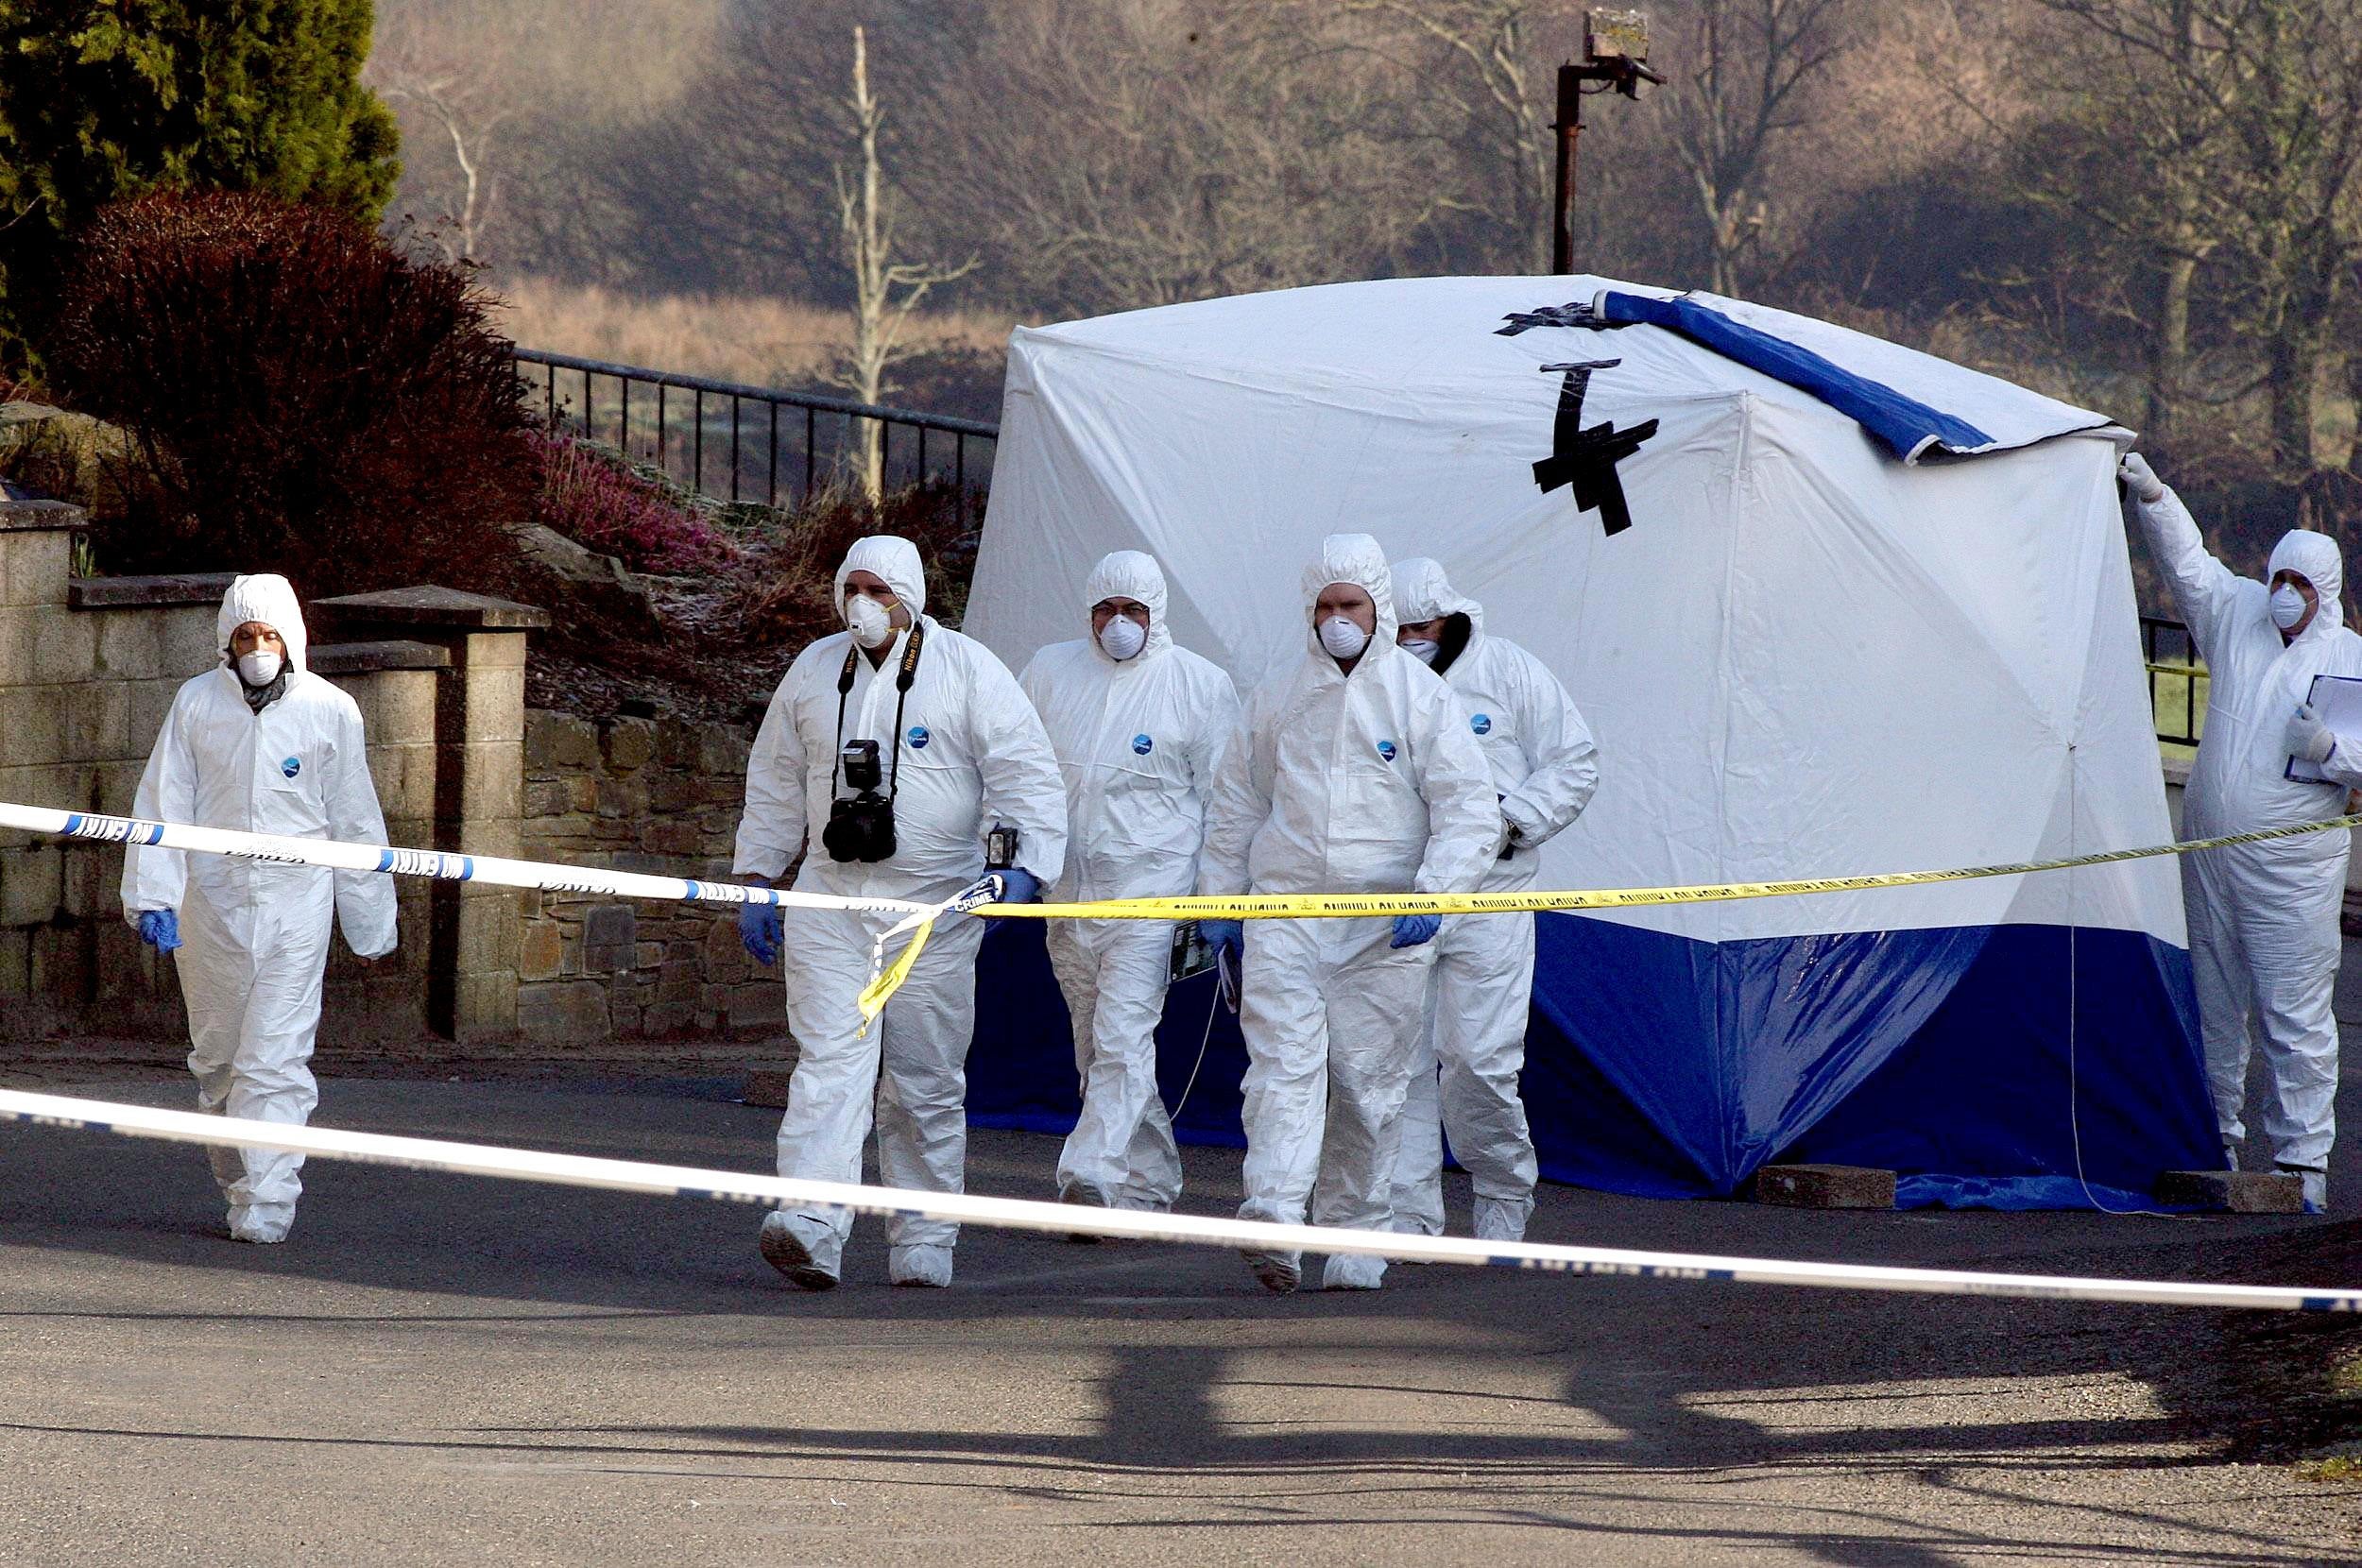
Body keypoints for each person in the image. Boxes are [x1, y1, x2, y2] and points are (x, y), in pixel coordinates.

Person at [734, 535, 1067, 1288]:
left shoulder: (968, 670)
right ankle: (813, 1222)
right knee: (829, 1063)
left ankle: (923, 1237)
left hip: (934, 909)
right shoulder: (815, 670)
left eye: (881, 591)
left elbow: (1024, 770)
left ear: (911, 596)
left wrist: (1021, 866)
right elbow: (778, 775)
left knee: (923, 1075)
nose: (864, 605)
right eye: (853, 588)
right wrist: (758, 873)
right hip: (830, 897)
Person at [1197, 534, 1500, 1292]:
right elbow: (1236, 803)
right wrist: (1221, 903)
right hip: (1287, 913)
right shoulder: (1276, 696)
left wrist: (1435, 893)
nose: (1338, 620)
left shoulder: (1422, 698)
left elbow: (1468, 809)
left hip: (1382, 926)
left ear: (1379, 609)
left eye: (1351, 606)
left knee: (1370, 1084)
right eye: (1326, 606)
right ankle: (1272, 1216)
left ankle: (1356, 1231)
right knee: (1281, 1072)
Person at [120, 573, 397, 1244]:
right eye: (245, 635)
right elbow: (163, 802)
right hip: (210, 900)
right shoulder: (195, 704)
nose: (258, 646)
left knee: (273, 1059)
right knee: (218, 1062)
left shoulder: (330, 710)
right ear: (226, 639)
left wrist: (370, 917)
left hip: (295, 900)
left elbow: (355, 818)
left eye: (269, 634)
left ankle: (268, 1205)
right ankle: (237, 1182)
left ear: (293, 637)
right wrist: (154, 893)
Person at [2123, 452, 2362, 1212]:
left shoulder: (2351, 663)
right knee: (2214, 999)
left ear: (2325, 594)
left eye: (2300, 586)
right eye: (2278, 581)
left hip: (2293, 867)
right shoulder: (2239, 619)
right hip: (2212, 856)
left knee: (2293, 1009)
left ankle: (2303, 1165)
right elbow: (2191, 567)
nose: (2284, 596)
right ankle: (2215, 1137)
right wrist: (2156, 496)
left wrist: (2332, 752)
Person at [1382, 558, 1599, 1244]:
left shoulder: (1508, 671)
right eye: (1401, 627)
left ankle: (1503, 1196)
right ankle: (1406, 1215)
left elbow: (1574, 760)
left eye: (1424, 626)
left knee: (1478, 1058)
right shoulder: (1372, 682)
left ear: (1450, 617)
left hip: (1490, 897)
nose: (1412, 638)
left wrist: (1512, 820)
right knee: (1395, 1061)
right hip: (1397, 896)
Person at [1018, 551, 1240, 1220]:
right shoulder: (1049, 673)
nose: (1119, 624)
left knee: (1121, 1037)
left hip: (1152, 896)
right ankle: (1147, 1184)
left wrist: (1217, 901)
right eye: (1107, 611)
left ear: (1157, 613)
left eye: (1133, 611)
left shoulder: (1199, 685)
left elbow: (1223, 802)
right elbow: (1017, 772)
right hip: (1068, 897)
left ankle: (1088, 1172)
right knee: (1095, 1045)